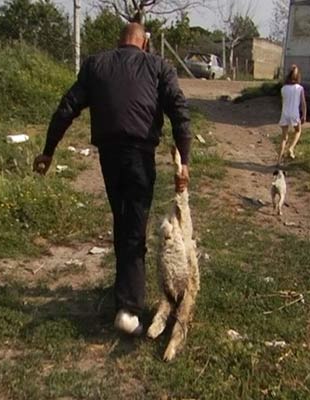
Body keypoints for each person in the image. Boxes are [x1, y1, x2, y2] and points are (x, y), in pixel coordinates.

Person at [33, 23, 192, 336]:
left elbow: (67, 107)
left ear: (119, 42)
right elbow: (179, 110)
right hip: (139, 156)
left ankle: (124, 293)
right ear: (144, 43)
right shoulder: (158, 66)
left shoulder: (96, 64)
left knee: (122, 220)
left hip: (109, 155)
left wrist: (48, 151)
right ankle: (129, 308)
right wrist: (183, 161)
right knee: (133, 225)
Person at [277, 65, 307, 165]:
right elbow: (303, 103)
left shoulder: (283, 88)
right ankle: (291, 148)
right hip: (294, 113)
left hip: (285, 113)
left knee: (284, 137)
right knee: (298, 131)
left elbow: (283, 102)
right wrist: (304, 115)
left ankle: (278, 161)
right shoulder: (300, 88)